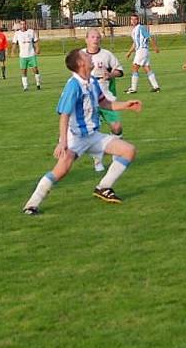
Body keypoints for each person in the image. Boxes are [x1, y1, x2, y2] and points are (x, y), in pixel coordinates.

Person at [22, 48, 142, 215]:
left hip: (93, 136)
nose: (89, 56)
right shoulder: (73, 85)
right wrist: (63, 142)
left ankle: (103, 187)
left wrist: (126, 105)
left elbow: (104, 103)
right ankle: (31, 205)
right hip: (75, 138)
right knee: (61, 170)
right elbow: (64, 115)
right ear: (80, 63)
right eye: (86, 55)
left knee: (129, 151)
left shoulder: (92, 81)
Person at [83, 28, 125, 172]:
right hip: (89, 101)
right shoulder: (81, 56)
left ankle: (116, 153)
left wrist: (111, 74)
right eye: (93, 37)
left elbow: (120, 71)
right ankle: (97, 161)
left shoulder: (107, 55)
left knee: (117, 127)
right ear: (87, 39)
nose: (96, 39)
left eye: (98, 37)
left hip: (107, 98)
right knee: (95, 132)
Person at [125, 13, 160, 94]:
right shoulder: (134, 30)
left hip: (142, 50)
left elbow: (149, 37)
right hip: (142, 50)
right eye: (132, 19)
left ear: (138, 20)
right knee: (146, 68)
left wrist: (155, 47)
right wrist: (129, 52)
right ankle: (156, 87)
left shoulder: (141, 28)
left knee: (134, 67)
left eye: (135, 19)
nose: (133, 21)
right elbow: (135, 43)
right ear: (130, 21)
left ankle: (133, 88)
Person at [11, 20, 41, 91]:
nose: (23, 25)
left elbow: (36, 41)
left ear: (26, 24)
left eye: (24, 24)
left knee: (35, 70)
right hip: (22, 56)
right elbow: (14, 43)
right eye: (21, 24)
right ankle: (25, 86)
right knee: (23, 71)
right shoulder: (17, 33)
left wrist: (37, 48)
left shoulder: (31, 31)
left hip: (31, 54)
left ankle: (38, 83)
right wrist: (13, 51)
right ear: (20, 25)